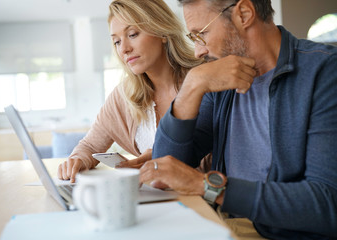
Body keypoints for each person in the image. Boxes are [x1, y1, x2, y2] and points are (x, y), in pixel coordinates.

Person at [140, 0, 337, 239]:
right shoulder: (222, 80)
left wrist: (209, 187)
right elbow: (165, 165)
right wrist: (191, 88)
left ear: (244, 14)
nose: (197, 52)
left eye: (201, 34)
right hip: (219, 223)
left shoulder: (325, 73)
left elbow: (327, 203)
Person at [57, 0, 202, 183]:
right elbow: (90, 145)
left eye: (132, 34)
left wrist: (161, 155)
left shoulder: (202, 80)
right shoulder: (124, 95)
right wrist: (77, 160)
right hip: (156, 200)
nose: (124, 49)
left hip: (202, 199)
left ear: (162, 32)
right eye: (117, 41)